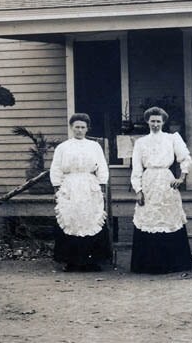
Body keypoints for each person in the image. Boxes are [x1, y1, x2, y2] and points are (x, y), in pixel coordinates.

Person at [130, 106, 192, 274]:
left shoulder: (172, 139)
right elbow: (136, 168)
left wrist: (181, 177)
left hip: (166, 181)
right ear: (147, 122)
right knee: (149, 217)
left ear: (163, 122)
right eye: (152, 121)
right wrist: (138, 190)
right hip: (149, 181)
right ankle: (147, 265)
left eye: (158, 121)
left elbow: (185, 158)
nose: (155, 124)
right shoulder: (141, 142)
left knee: (168, 217)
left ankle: (172, 264)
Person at [50, 113, 112, 272]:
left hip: (89, 186)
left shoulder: (94, 146)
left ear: (87, 129)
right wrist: (57, 186)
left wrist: (102, 184)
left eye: (82, 127)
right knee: (71, 218)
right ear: (71, 128)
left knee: (90, 218)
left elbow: (102, 166)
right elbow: (56, 167)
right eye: (76, 127)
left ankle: (93, 260)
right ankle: (71, 261)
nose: (79, 130)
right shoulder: (63, 147)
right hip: (69, 186)